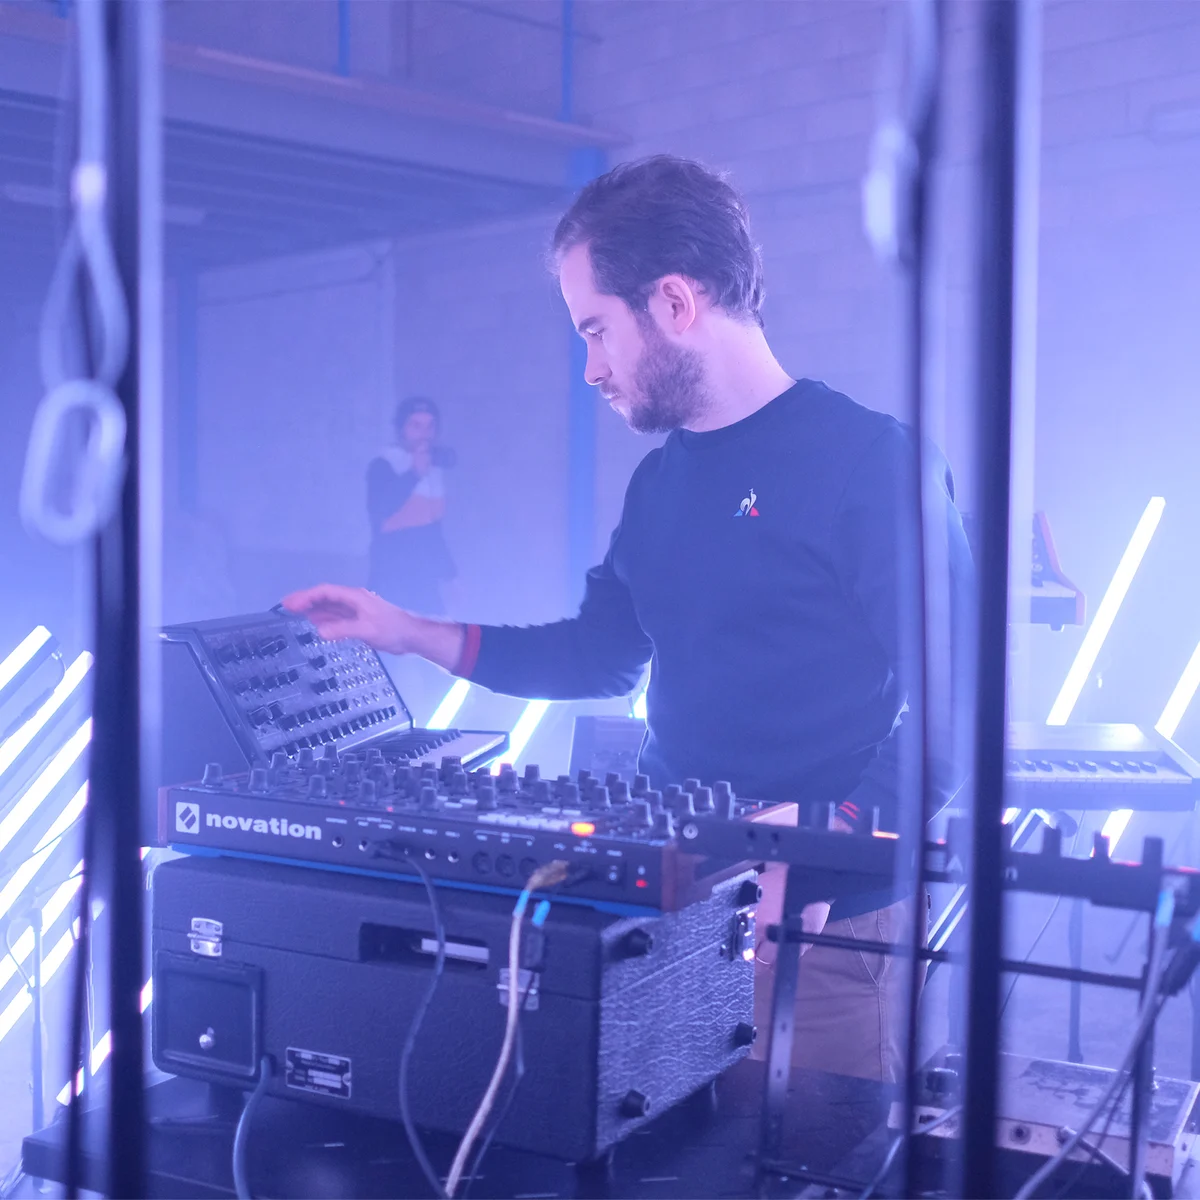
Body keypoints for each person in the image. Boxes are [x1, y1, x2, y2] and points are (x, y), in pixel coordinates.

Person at [285, 155, 972, 1083]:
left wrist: (823, 844)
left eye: (597, 330)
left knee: (809, 1153)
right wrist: (409, 632)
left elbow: (960, 701)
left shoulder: (870, 462)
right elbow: (601, 656)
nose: (592, 369)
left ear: (676, 302)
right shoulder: (660, 482)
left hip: (819, 927)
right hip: (672, 902)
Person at [366, 396, 457, 616]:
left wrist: (450, 575)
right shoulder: (383, 465)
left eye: (430, 426)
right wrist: (413, 474)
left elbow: (431, 527)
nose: (424, 434)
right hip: (392, 580)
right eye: (416, 426)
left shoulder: (432, 471)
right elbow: (381, 511)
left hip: (426, 583)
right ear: (401, 429)